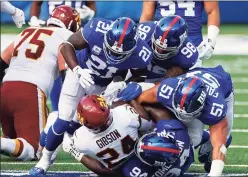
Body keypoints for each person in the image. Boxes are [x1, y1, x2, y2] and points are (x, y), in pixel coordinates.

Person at [30, 17, 153, 175]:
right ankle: (45, 161)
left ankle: (53, 125)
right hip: (80, 75)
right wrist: (76, 69)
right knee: (63, 121)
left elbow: (138, 76)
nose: (113, 55)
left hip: (103, 85)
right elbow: (66, 45)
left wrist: (122, 83)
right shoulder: (96, 28)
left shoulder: (141, 53)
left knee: (85, 122)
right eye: (111, 49)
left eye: (119, 53)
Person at [118, 65, 234, 176]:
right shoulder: (168, 89)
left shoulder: (215, 108)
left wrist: (214, 174)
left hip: (223, 85)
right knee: (192, 139)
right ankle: (205, 137)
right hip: (191, 80)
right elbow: (140, 100)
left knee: (221, 138)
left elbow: (220, 146)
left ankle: (209, 139)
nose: (180, 113)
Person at [0, 5, 80, 161]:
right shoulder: (66, 35)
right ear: (71, 24)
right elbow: (65, 70)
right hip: (30, 90)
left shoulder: (27, 31)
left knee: (13, 140)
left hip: (5, 88)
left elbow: (2, 61)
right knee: (34, 150)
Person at [62, 95, 194, 177]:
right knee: (146, 107)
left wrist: (75, 152)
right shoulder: (124, 115)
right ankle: (197, 139)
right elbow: (147, 124)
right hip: (155, 147)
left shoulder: (81, 140)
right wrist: (128, 98)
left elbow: (102, 170)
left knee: (124, 171)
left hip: (127, 167)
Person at [29, 1, 96, 113]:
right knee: (57, 69)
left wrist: (91, 13)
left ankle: (81, 109)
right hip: (54, 32)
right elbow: (37, 3)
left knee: (79, 69)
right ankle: (59, 110)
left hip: (77, 34)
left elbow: (91, 3)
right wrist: (34, 18)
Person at [140, 1, 220, 61]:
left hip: (191, 42)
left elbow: (212, 11)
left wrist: (211, 41)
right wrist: (141, 41)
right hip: (162, 40)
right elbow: (147, 16)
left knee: (188, 81)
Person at [137, 15, 203, 83]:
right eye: (157, 46)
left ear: (180, 44)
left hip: (162, 79)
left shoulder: (188, 54)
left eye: (165, 50)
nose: (159, 51)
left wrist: (155, 85)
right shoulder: (143, 32)